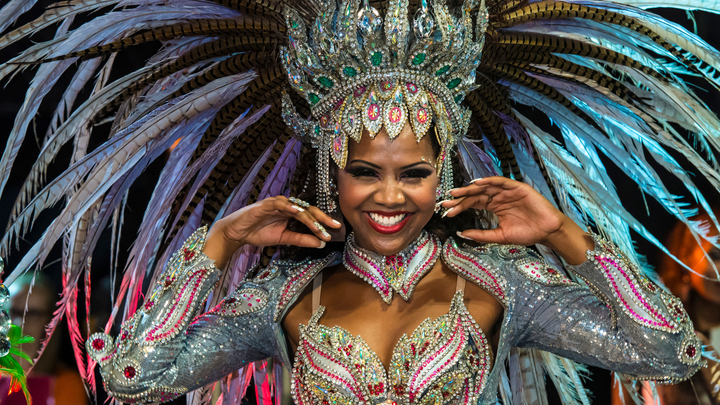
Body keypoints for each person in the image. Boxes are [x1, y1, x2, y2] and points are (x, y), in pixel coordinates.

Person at [1, 0, 720, 404]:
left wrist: (563, 233)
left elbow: (666, 348)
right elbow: (132, 377)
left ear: (444, 171)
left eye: (412, 172)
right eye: (364, 171)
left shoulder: (506, 289)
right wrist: (216, 246)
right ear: (331, 175)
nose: (388, 196)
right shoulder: (282, 295)